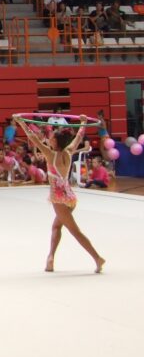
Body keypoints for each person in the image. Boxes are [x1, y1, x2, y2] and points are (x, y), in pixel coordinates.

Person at [14, 114, 105, 273]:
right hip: (69, 197)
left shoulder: (50, 154)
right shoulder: (69, 151)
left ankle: (97, 258)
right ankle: (50, 259)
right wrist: (83, 122)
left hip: (60, 199)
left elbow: (33, 138)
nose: (49, 138)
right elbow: (78, 137)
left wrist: (20, 121)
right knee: (56, 227)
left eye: (51, 137)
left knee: (75, 231)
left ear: (55, 141)